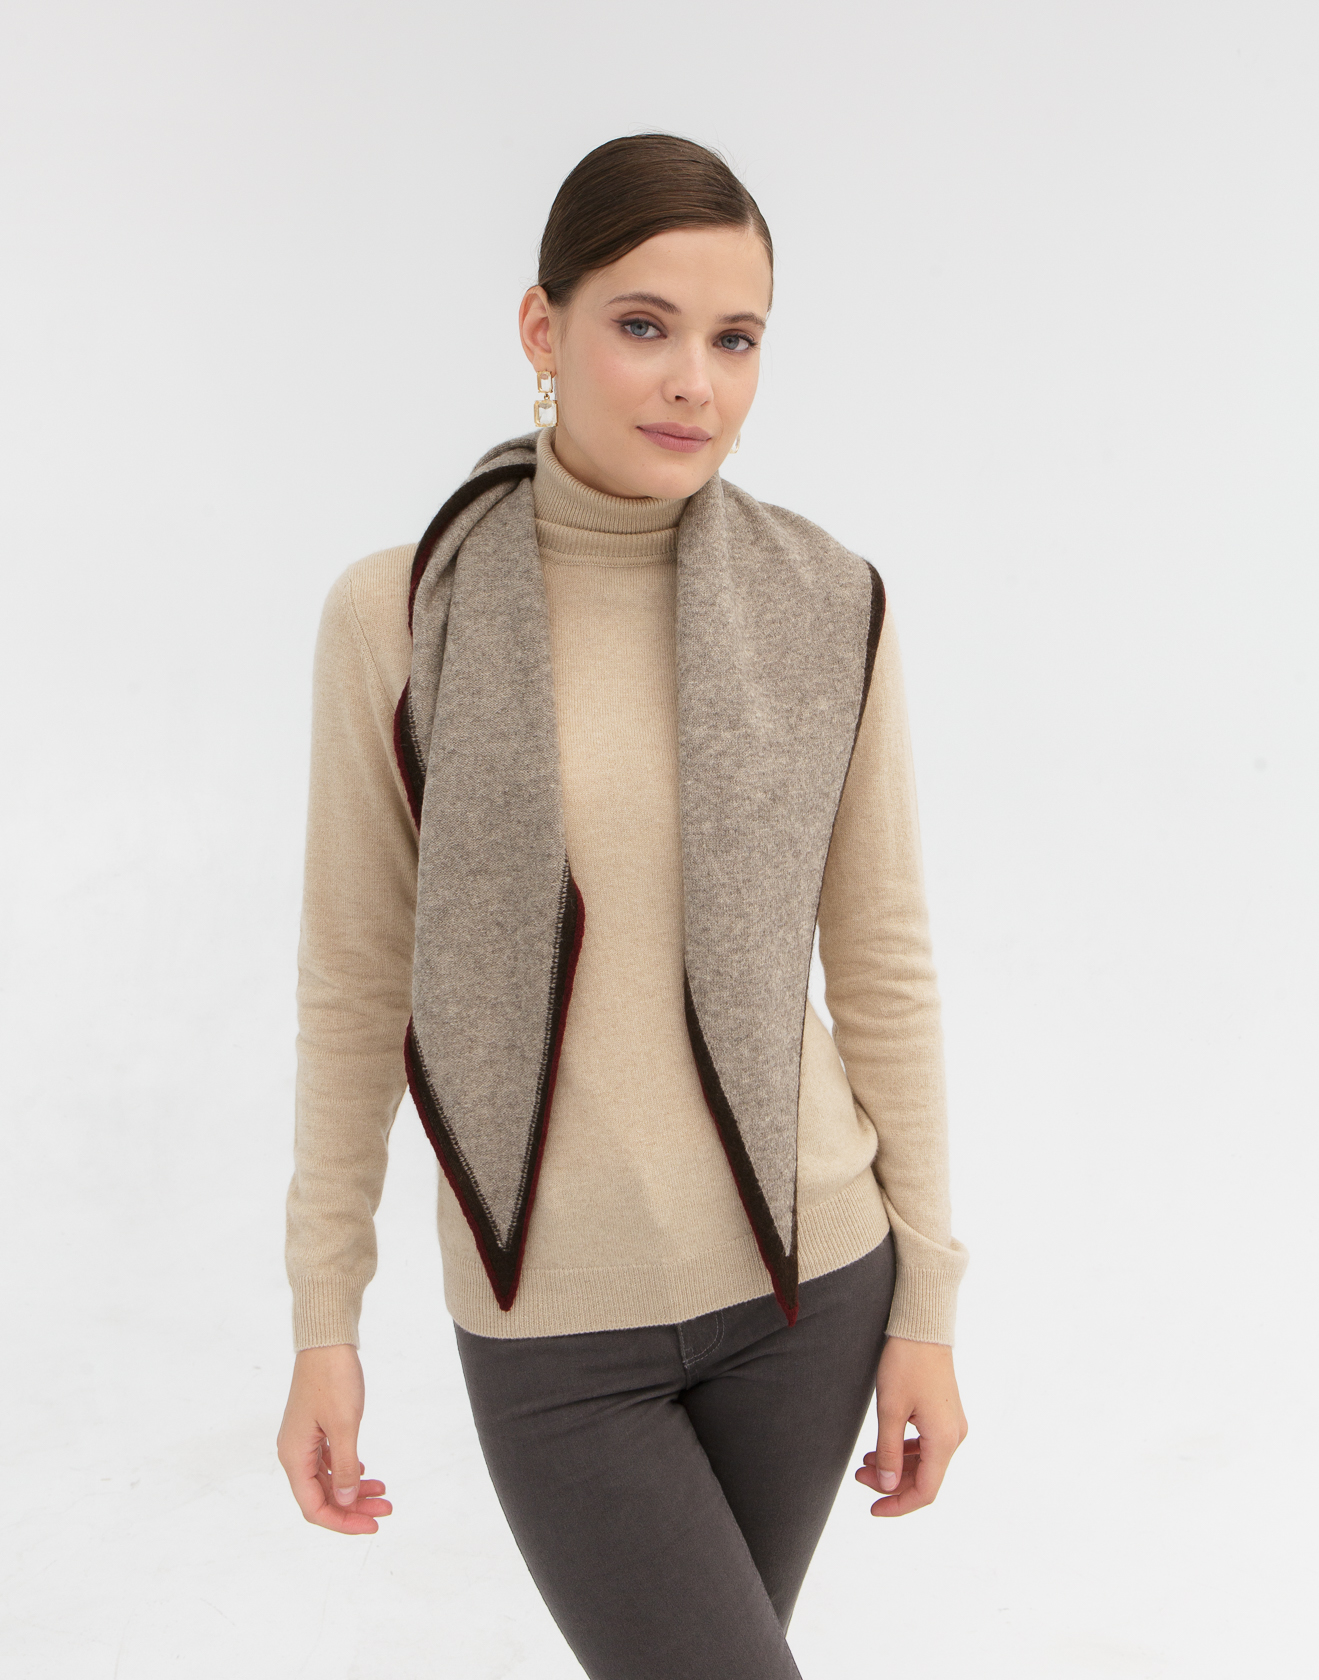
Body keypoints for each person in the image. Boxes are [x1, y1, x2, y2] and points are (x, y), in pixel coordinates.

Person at [277, 132, 970, 1680]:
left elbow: (884, 969)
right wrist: (326, 1318)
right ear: (544, 328)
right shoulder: (396, 615)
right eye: (644, 326)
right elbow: (355, 984)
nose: (694, 384)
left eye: (737, 340)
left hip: (810, 1289)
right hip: (552, 1323)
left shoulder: (828, 601)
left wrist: (929, 1299)